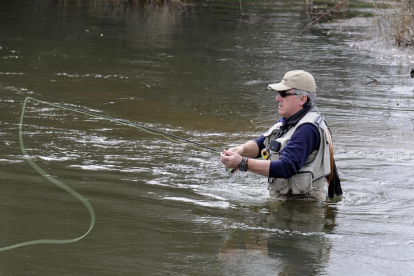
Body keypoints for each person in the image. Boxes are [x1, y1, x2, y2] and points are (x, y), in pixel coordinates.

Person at [220, 70, 341, 201]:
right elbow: (262, 143)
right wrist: (241, 150)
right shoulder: (289, 120)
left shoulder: (307, 129)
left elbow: (286, 167)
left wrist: (242, 163)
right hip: (288, 205)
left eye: (283, 94)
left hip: (302, 210)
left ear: (302, 99)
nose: (277, 98)